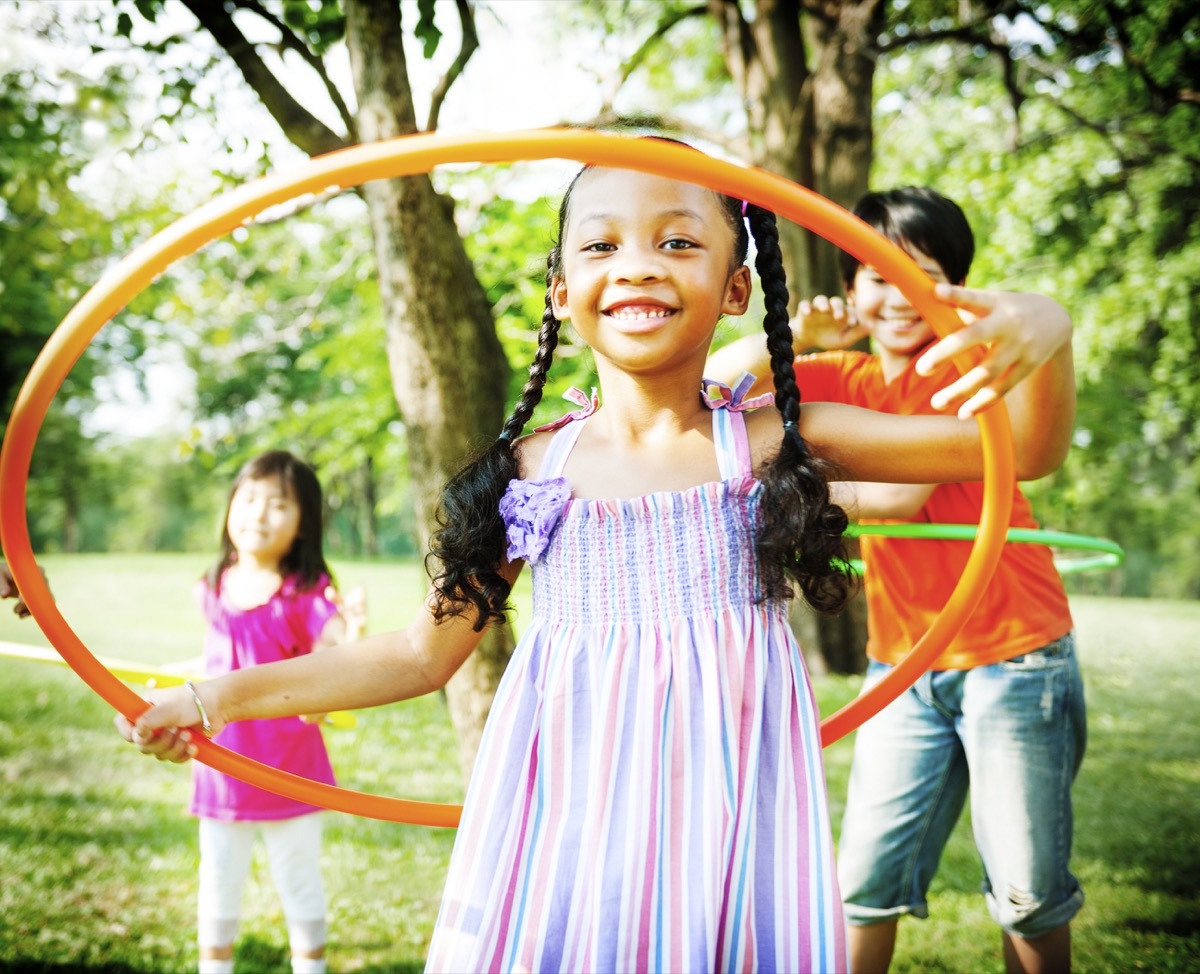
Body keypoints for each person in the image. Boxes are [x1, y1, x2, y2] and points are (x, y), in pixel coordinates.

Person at [118, 157, 1073, 973]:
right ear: (560, 289)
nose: (638, 267)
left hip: (728, 828)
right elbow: (417, 657)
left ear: (738, 289)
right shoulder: (532, 471)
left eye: (679, 242)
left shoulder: (782, 439)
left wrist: (1047, 325)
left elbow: (1018, 455)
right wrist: (214, 698)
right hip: (569, 834)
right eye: (603, 244)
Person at [708, 186, 1083, 973]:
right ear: (851, 287)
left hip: (1015, 652)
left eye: (925, 273)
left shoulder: (977, 366)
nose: (900, 293)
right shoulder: (835, 375)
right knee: (862, 885)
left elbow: (903, 496)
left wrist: (1049, 324)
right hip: (905, 660)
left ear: (959, 288)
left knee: (1026, 891)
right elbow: (707, 393)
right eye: (879, 272)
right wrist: (787, 336)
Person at [185, 450, 364, 974]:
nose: (259, 514)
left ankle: (309, 965)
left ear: (303, 522)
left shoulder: (305, 595)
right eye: (249, 498)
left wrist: (351, 631)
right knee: (219, 879)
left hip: (291, 772)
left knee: (298, 877)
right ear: (230, 506)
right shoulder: (213, 587)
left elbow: (334, 655)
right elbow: (216, 662)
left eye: (278, 504)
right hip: (222, 770)